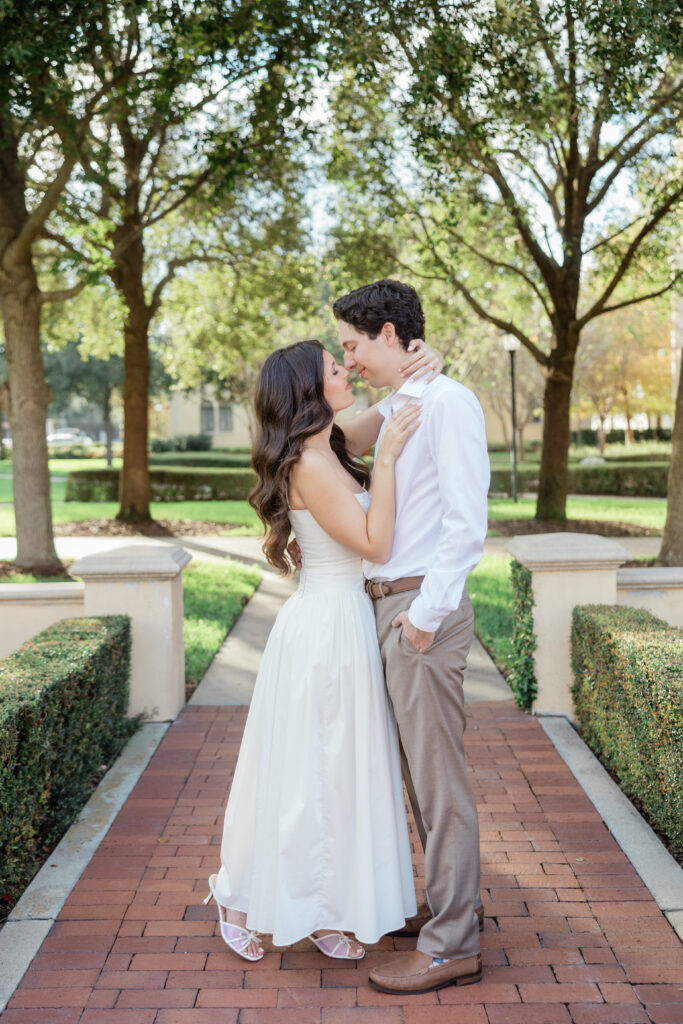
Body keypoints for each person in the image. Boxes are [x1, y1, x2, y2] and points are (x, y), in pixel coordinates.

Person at [205, 336, 443, 961]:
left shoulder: (330, 442)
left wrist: (427, 369)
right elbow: (376, 543)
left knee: (340, 773)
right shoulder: (310, 464)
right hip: (324, 632)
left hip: (345, 626)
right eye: (336, 367)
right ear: (311, 391)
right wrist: (387, 463)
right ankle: (238, 898)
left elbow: (393, 407)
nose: (348, 370)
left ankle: (324, 907)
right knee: (304, 775)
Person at [332, 279, 490, 995]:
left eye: (353, 345)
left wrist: (425, 617)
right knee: (416, 782)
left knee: (437, 781)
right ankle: (448, 909)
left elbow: (465, 522)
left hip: (418, 609)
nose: (349, 358)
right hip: (388, 607)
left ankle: (453, 942)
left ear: (389, 335)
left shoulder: (448, 403)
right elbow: (336, 432)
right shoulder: (404, 401)